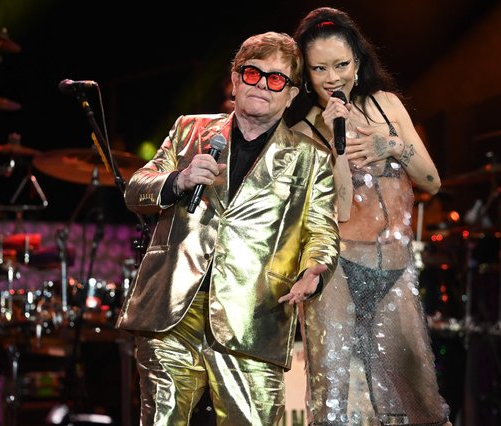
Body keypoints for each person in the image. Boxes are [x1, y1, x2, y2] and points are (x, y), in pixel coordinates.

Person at [115, 31, 340, 426]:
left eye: (276, 79)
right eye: (252, 74)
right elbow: (135, 191)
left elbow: (322, 230)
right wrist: (178, 181)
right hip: (172, 312)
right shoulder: (190, 130)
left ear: (290, 95)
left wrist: (316, 270)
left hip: (252, 315)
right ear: (234, 80)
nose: (262, 86)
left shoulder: (311, 159)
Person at [288, 7, 452, 426]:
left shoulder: (387, 106)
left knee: (422, 400)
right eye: (319, 68)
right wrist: (337, 144)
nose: (332, 77)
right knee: (332, 403)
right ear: (306, 74)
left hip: (396, 267)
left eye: (341, 65)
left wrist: (392, 144)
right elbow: (340, 209)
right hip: (339, 270)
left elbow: (431, 180)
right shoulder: (305, 130)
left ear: (358, 64)